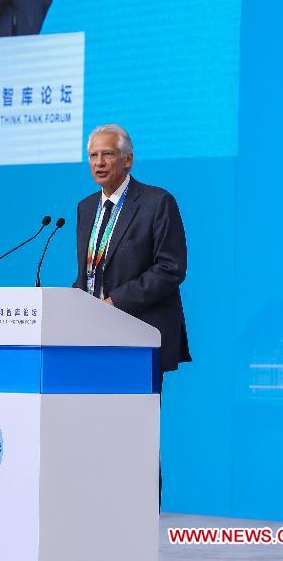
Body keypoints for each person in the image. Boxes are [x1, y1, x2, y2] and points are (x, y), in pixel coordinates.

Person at [73, 123, 191, 502]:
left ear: (127, 159)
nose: (99, 162)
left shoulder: (157, 202)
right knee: (97, 434)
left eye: (107, 154)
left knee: (136, 434)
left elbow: (171, 268)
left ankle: (140, 515)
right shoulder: (86, 208)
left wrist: (115, 302)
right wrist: (70, 302)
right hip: (95, 340)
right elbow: (89, 275)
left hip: (139, 339)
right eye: (93, 155)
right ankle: (103, 509)